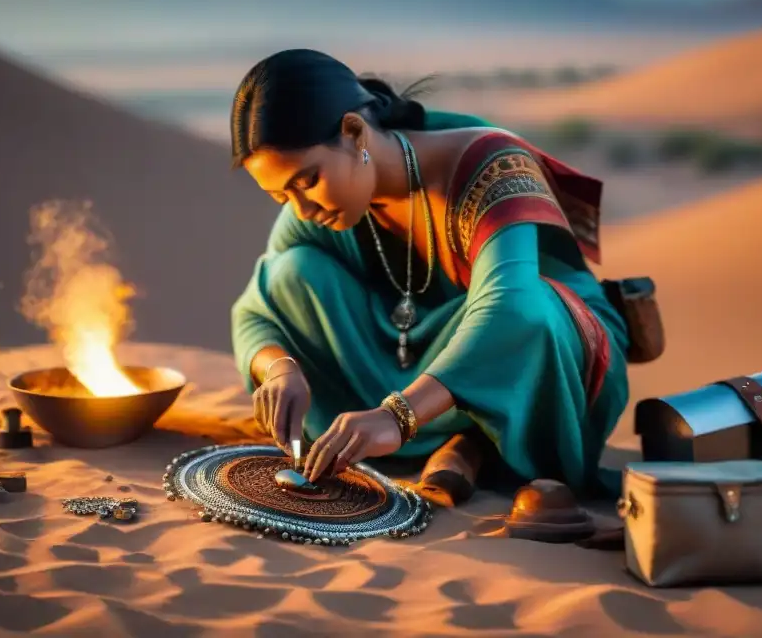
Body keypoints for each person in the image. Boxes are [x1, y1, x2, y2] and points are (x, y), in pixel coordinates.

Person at [229, 49, 630, 500]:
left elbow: (512, 309)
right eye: (281, 196)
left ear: (354, 132)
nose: (302, 208)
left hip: (538, 349)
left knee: (536, 312)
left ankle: (477, 435)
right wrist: (279, 368)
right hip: (409, 359)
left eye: (306, 181)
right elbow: (256, 308)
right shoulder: (323, 205)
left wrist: (397, 415)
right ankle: (449, 434)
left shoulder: (494, 164)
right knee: (292, 272)